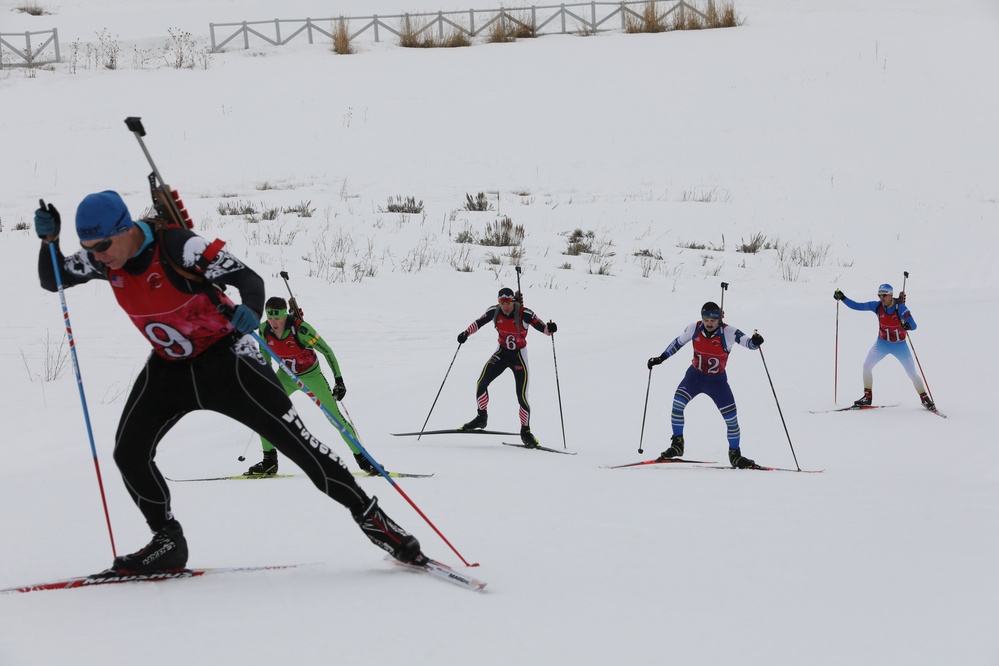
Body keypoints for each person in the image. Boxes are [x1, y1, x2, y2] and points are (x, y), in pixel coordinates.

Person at [35, 191, 423, 574]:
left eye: (102, 245)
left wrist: (251, 311)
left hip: (230, 362)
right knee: (128, 453)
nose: (97, 255)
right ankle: (167, 541)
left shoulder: (179, 247)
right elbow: (53, 278)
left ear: (126, 228)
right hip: (170, 367)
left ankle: (379, 525)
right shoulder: (107, 261)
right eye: (89, 248)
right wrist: (49, 243)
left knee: (302, 449)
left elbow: (247, 277)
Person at [246, 296, 381, 476]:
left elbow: (327, 351)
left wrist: (339, 380)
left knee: (335, 418)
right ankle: (269, 462)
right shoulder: (264, 331)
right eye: (270, 317)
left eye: (277, 317)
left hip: (311, 376)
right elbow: (265, 357)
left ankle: (364, 460)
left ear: (285, 315)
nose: (273, 322)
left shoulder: (301, 329)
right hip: (286, 377)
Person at [647, 301, 764, 469]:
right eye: (706, 319)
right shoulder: (694, 328)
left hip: (717, 382)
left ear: (719, 319)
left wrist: (756, 341)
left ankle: (735, 455)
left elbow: (749, 344)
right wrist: (661, 358)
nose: (709, 323)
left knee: (731, 419)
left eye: (713, 320)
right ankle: (677, 444)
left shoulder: (729, 332)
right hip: (695, 377)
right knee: (677, 405)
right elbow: (677, 343)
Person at [455, 287, 557, 448]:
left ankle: (526, 431)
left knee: (521, 396)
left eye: (508, 301)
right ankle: (481, 417)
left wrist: (550, 329)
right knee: (481, 383)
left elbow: (543, 328)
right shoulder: (494, 312)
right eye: (502, 302)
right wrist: (465, 333)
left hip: (518, 356)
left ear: (513, 301)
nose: (505, 305)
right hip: (501, 353)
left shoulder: (525, 313)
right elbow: (478, 323)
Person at [834, 284, 934, 410]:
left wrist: (907, 326)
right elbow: (857, 306)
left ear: (891, 295)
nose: (881, 298)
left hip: (900, 346)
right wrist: (842, 297)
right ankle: (867, 397)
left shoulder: (900, 308)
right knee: (867, 366)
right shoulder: (877, 306)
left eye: (884, 295)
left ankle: (925, 398)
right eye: (879, 295)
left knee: (912, 373)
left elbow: (914, 325)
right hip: (882, 344)